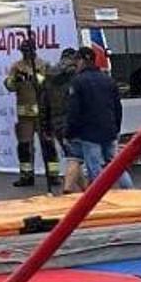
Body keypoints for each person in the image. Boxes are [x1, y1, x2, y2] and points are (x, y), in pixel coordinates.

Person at [67, 48, 133, 189]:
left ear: (83, 61)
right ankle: (129, 190)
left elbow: (74, 110)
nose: (76, 65)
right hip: (109, 129)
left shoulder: (77, 82)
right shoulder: (108, 80)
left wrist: (70, 132)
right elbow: (117, 107)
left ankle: (100, 196)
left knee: (94, 167)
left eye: (77, 61)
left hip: (89, 132)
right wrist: (116, 128)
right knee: (116, 165)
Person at [5, 39, 61, 188]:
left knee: (48, 144)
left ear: (34, 50)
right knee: (24, 146)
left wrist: (32, 77)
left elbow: (48, 84)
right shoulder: (16, 66)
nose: (26, 54)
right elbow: (9, 86)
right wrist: (14, 79)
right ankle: (26, 175)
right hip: (24, 114)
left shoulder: (43, 64)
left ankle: (53, 175)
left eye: (28, 51)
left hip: (42, 113)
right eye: (23, 51)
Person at [42, 49, 81, 192]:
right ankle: (69, 188)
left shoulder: (49, 76)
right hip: (73, 121)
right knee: (75, 158)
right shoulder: (76, 75)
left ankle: (84, 189)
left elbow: (44, 103)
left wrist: (45, 126)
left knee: (73, 157)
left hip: (56, 121)